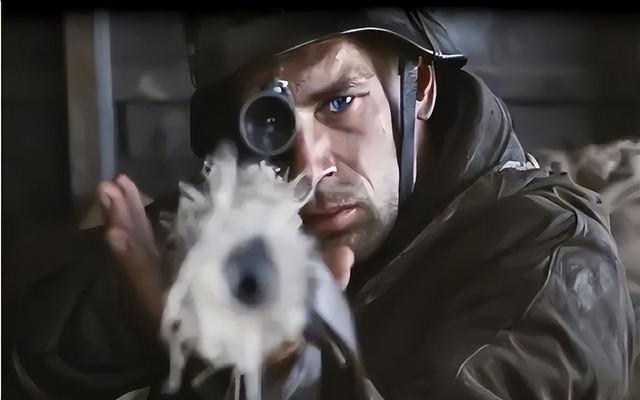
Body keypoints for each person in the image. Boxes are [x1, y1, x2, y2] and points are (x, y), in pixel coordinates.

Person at [12, 8, 638, 400]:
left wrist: (284, 369)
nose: (309, 168)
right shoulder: (253, 211)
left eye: (339, 102)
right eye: (273, 120)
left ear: (418, 87)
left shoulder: (553, 264)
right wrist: (136, 314)